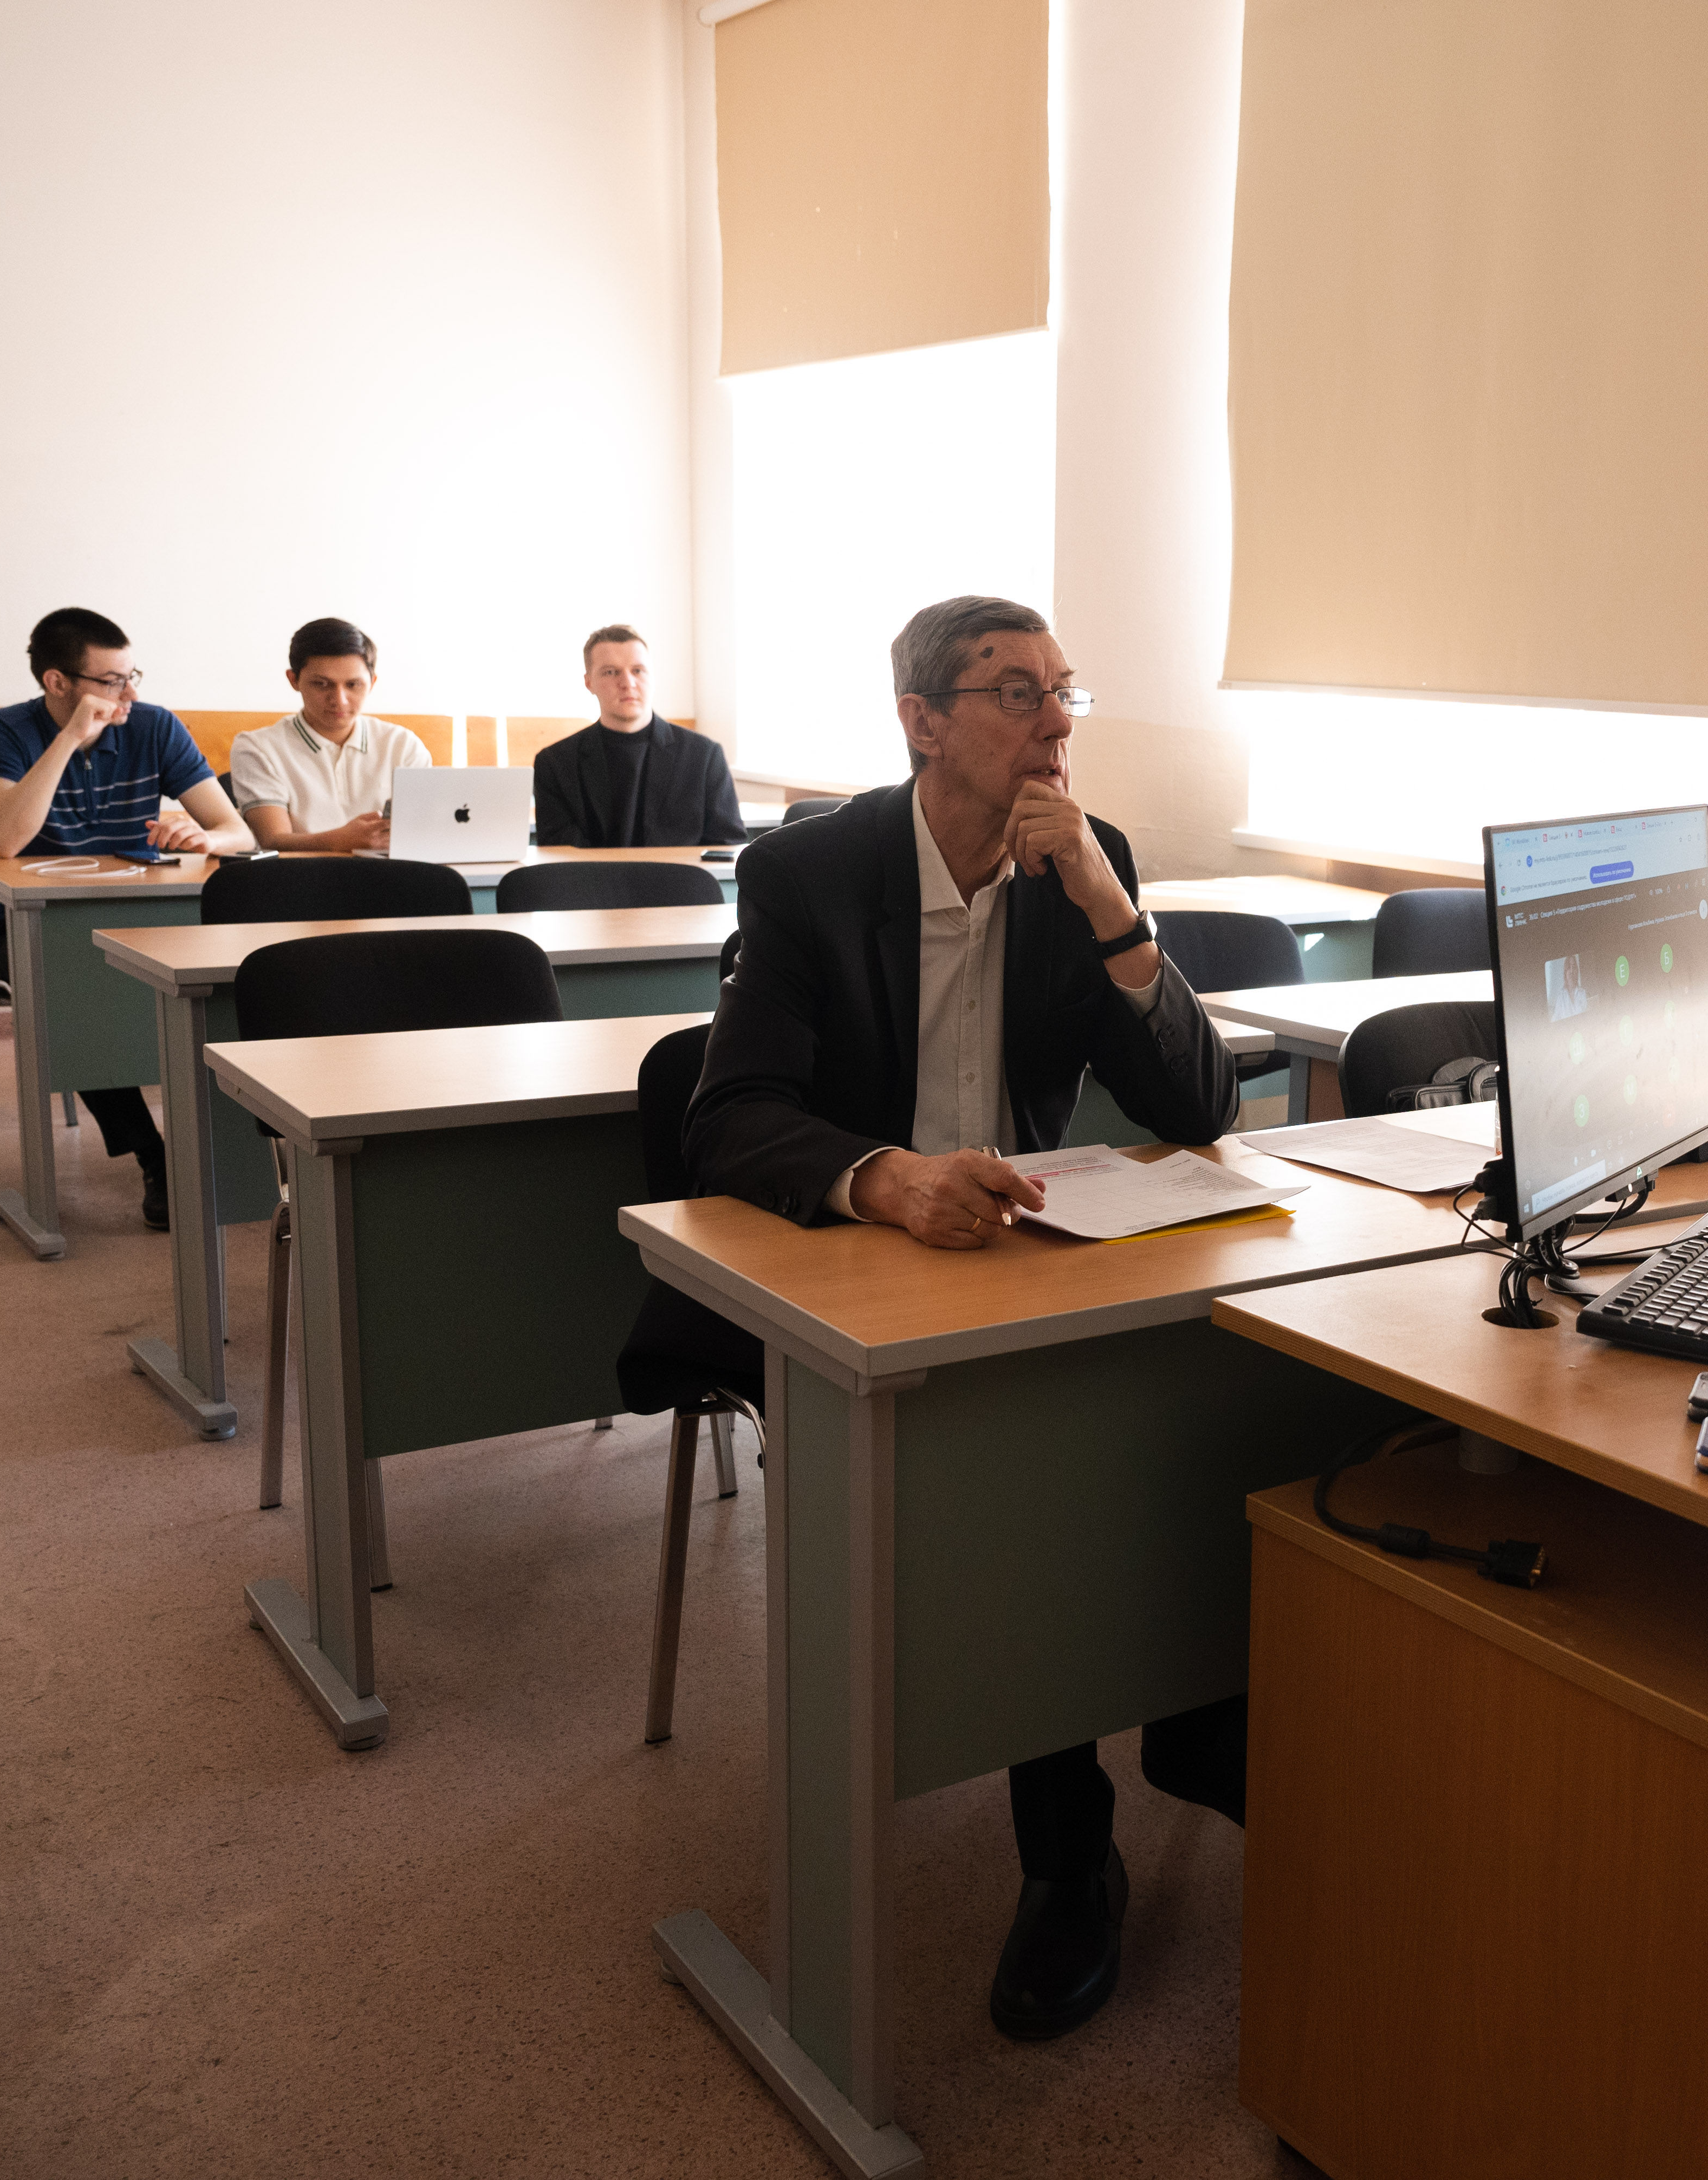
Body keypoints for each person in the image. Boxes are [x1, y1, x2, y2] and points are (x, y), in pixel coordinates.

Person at [686, 595, 1243, 2042]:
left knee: (1206, 1407)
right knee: (1040, 1483)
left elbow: (1202, 1108)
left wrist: (1116, 913)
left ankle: (1201, 1714)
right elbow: (731, 1114)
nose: (1056, 722)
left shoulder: (1083, 863)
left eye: (1065, 691)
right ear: (922, 722)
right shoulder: (810, 874)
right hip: (852, 1260)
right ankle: (1071, 1856)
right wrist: (887, 1177)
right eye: (1014, 693)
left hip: (1021, 1249)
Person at [0, 607, 256, 1230]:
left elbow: (236, 830)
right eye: (110, 681)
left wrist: (204, 838)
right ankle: (153, 1154)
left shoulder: (155, 726)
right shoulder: (6, 730)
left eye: (133, 676)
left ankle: (233, 1149)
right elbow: (4, 840)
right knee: (72, 996)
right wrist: (70, 738)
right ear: (57, 682)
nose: (129, 694)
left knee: (226, 982)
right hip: (34, 926)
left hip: (141, 914)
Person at [530, 624, 745, 847]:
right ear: (589, 683)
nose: (628, 683)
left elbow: (727, 844)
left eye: (638, 671)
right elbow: (558, 850)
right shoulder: (555, 764)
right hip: (591, 872)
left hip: (678, 872)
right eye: (611, 672)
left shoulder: (704, 756)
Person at [228, 619, 433, 852]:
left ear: (372, 682)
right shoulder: (258, 747)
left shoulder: (403, 745)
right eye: (322, 684)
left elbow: (426, 832)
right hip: (298, 872)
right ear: (294, 680)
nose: (339, 700)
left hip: (391, 872)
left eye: (353, 685)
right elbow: (273, 840)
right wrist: (342, 840)